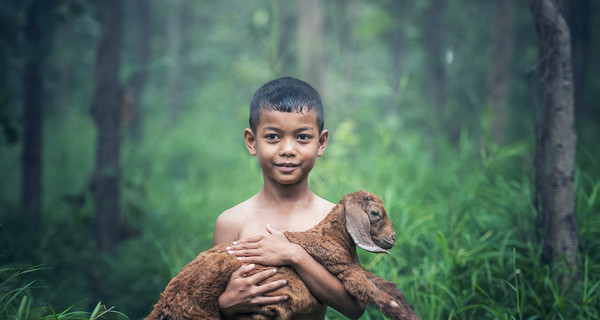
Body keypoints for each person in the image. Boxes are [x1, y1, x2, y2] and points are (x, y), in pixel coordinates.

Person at [212, 77, 366, 320]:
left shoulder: (333, 218)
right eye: (273, 137)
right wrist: (226, 304)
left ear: (321, 142)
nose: (287, 149)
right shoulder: (232, 222)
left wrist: (295, 255)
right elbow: (208, 300)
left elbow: (355, 307)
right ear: (252, 142)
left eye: (302, 137)